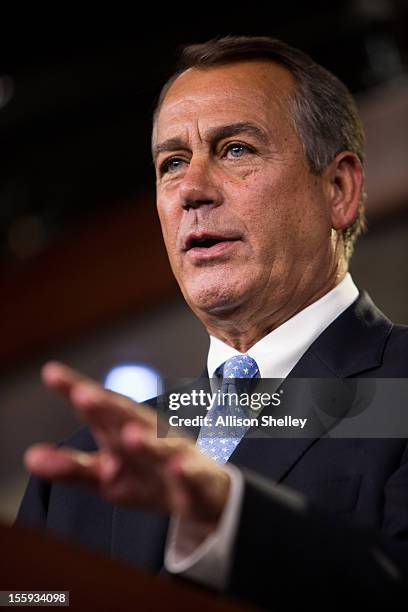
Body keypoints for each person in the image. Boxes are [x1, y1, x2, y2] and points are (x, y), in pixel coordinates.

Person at [18, 36, 408, 608]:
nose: (192, 191)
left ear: (339, 189)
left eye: (235, 150)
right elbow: (32, 599)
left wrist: (230, 521)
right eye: (172, 163)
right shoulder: (86, 469)